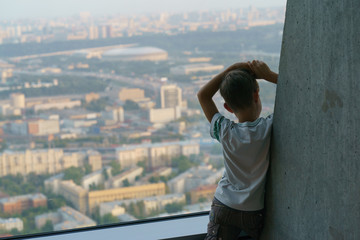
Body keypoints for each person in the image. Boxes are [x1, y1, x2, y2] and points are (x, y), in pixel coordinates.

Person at [197, 60, 278, 240]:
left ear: (227, 107)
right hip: (253, 211)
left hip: (223, 205)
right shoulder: (270, 127)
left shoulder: (224, 130)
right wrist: (269, 75)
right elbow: (302, 92)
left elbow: (203, 96)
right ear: (256, 95)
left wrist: (230, 69)